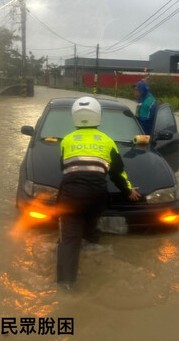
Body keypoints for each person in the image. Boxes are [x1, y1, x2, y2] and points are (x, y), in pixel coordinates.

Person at [56, 96, 141, 289]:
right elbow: (117, 173)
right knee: (91, 223)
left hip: (70, 197)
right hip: (96, 197)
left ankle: (65, 286)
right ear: (98, 116)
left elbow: (64, 168)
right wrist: (128, 191)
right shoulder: (108, 141)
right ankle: (92, 243)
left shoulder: (66, 141)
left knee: (69, 240)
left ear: (74, 117)